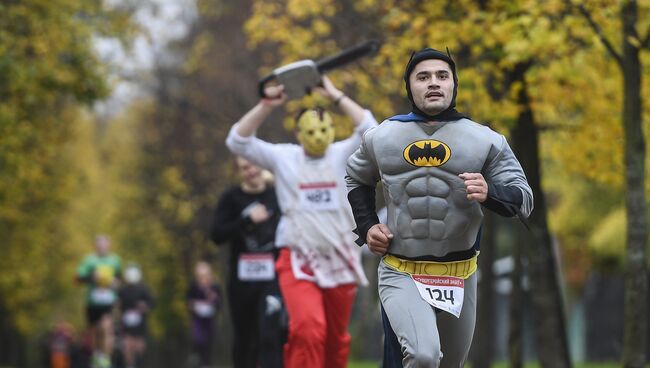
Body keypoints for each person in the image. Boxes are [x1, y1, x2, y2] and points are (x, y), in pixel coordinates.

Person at [345, 48, 534, 368]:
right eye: (423, 77)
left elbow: (523, 200)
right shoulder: (381, 137)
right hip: (401, 270)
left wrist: (490, 193)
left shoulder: (486, 140)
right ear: (409, 86)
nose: (433, 83)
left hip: (461, 275)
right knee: (423, 356)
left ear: (453, 85)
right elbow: (356, 179)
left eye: (442, 76)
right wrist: (367, 227)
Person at [225, 75, 377, 368]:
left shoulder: (344, 154)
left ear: (332, 129)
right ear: (297, 132)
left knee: (335, 340)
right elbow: (237, 141)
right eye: (310, 130)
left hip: (341, 259)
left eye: (323, 129)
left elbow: (372, 130)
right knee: (308, 330)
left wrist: (335, 95)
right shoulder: (284, 158)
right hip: (297, 259)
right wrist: (266, 105)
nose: (318, 136)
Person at [210, 156, 285, 368]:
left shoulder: (277, 194)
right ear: (237, 172)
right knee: (245, 339)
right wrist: (247, 220)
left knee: (270, 333)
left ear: (261, 165)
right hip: (241, 281)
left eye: (252, 165)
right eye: (244, 168)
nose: (250, 171)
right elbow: (216, 235)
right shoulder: (231, 198)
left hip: (273, 279)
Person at [76, 235, 122, 368]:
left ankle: (106, 359)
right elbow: (79, 277)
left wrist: (115, 283)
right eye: (99, 244)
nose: (102, 246)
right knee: (95, 332)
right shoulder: (89, 260)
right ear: (95, 246)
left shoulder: (115, 260)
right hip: (93, 303)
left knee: (107, 328)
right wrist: (92, 277)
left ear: (109, 245)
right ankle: (97, 355)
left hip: (108, 302)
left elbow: (120, 279)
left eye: (104, 244)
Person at [117, 264, 154, 368]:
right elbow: (118, 305)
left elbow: (151, 303)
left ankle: (139, 364)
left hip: (140, 323)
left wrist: (144, 306)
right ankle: (129, 365)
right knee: (127, 345)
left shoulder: (144, 289)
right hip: (126, 323)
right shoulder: (122, 290)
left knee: (139, 346)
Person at [187, 261, 222, 368]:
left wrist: (213, 298)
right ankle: (198, 360)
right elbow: (189, 302)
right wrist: (195, 305)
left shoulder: (214, 287)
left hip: (210, 318)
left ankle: (206, 364)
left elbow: (219, 303)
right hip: (198, 318)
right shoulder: (193, 286)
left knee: (208, 341)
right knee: (199, 339)